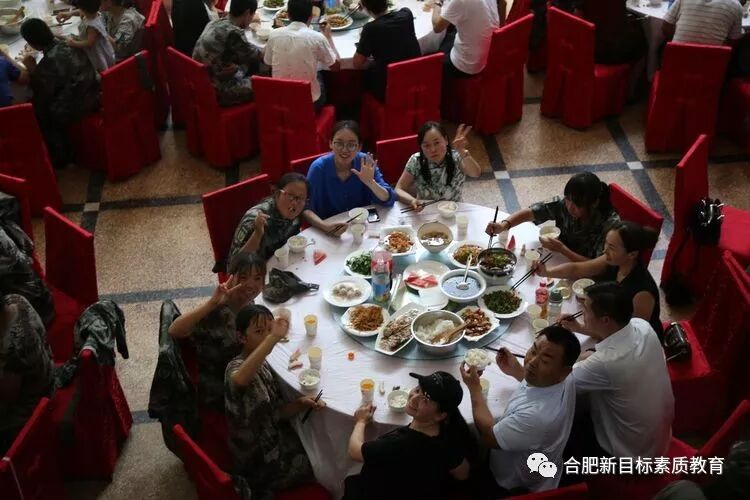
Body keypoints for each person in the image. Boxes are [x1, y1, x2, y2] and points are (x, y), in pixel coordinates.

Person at [460, 326, 580, 497]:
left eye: (545, 361)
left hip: (514, 483)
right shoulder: (565, 379)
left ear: (564, 371)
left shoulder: (537, 417)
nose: (532, 362)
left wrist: (474, 389)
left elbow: (490, 437)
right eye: (534, 350)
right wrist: (516, 370)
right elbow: (541, 385)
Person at [562, 282, 674, 462]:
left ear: (605, 320)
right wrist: (579, 329)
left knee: (559, 428)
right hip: (656, 438)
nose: (582, 314)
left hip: (628, 452)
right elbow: (610, 344)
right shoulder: (642, 326)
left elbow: (560, 382)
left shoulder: (606, 362)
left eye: (586, 310)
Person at [225, 304, 322, 499]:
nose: (266, 336)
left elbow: (274, 412)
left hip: (272, 436)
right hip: (260, 460)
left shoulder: (262, 362)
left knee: (317, 435)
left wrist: (300, 403)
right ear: (241, 337)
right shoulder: (236, 367)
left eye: (269, 330)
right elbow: (239, 380)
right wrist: (272, 337)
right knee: (321, 463)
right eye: (259, 332)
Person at [344, 371, 473, 499]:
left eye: (425, 400)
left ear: (440, 415)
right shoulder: (449, 436)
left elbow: (354, 451)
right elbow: (463, 474)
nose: (414, 398)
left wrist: (361, 421)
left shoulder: (399, 444)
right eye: (418, 390)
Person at [167, 252, 266, 412]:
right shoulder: (219, 310)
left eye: (257, 278)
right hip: (222, 390)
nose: (250, 284)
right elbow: (174, 330)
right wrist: (211, 304)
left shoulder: (249, 304)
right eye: (243, 277)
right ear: (231, 278)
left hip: (241, 372)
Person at [535, 221, 664, 340]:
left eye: (611, 247)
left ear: (632, 254)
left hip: (635, 344)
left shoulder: (642, 293)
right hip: (608, 326)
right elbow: (576, 269)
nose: (604, 250)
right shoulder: (612, 260)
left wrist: (580, 328)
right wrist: (546, 272)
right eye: (606, 243)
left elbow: (629, 337)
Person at [19, 18, 100, 168]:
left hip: (80, 104)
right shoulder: (71, 41)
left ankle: (60, 155)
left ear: (32, 44)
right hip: (94, 91)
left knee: (38, 109)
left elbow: (42, 91)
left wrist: (32, 69)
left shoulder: (49, 62)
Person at [485, 172, 620, 261]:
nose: (570, 207)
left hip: (586, 277)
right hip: (561, 259)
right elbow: (532, 212)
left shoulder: (609, 225)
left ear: (594, 203)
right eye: (568, 199)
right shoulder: (565, 204)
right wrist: (504, 225)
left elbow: (598, 267)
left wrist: (562, 249)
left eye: (578, 205)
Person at [304, 120, 396, 229]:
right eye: (339, 143)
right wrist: (325, 227)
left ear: (359, 147)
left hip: (362, 225)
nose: (344, 150)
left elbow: (388, 198)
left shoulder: (365, 162)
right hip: (329, 227)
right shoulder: (319, 168)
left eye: (351, 145)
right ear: (330, 144)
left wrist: (371, 183)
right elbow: (306, 208)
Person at [0, 293, 55, 454]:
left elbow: (6, 402)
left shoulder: (11, 351)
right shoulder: (16, 300)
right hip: (48, 377)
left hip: (32, 413)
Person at [263, 0, 339, 110]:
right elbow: (336, 67)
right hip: (309, 102)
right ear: (311, 17)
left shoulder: (274, 34)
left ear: (288, 15)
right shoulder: (318, 38)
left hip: (280, 100)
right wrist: (328, 37)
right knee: (321, 73)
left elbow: (268, 62)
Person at [395, 121, 481, 210]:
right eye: (427, 145)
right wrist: (412, 200)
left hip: (454, 210)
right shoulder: (416, 161)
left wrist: (462, 151)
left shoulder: (457, 157)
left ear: (446, 140)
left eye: (436, 143)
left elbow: (475, 173)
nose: (433, 149)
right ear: (421, 147)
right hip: (426, 211)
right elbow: (399, 188)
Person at [192, 0, 263, 107]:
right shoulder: (234, 32)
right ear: (248, 13)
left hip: (199, 82)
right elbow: (257, 55)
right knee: (264, 83)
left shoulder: (214, 22)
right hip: (216, 92)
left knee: (243, 66)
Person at [228, 172, 309, 263]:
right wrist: (257, 233)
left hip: (281, 262)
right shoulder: (255, 220)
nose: (294, 203)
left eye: (300, 198)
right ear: (277, 194)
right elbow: (234, 265)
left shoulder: (297, 213)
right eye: (290, 195)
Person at [352, 0, 421, 101]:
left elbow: (357, 64)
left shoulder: (370, 29)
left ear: (365, 7)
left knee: (362, 78)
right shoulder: (406, 14)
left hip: (388, 89)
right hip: (415, 79)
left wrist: (372, 61)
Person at [432, 0, 501, 78]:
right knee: (450, 33)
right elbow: (503, 4)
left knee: (432, 64)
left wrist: (437, 3)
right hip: (486, 54)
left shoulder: (461, 1)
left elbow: (437, 27)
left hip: (466, 65)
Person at [58, 0, 116, 73]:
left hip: (97, 54)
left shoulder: (92, 26)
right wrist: (70, 13)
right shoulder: (96, 14)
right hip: (99, 50)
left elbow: (89, 43)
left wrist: (74, 43)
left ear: (83, 9)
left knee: (100, 71)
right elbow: (81, 12)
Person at [662, 0, 743, 46]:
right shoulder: (736, 5)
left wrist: (679, 43)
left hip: (676, 62)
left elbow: (666, 27)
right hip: (712, 65)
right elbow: (733, 41)